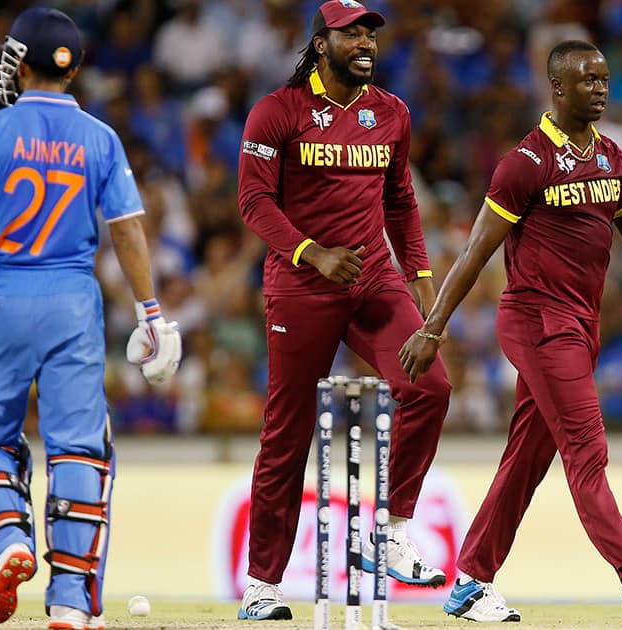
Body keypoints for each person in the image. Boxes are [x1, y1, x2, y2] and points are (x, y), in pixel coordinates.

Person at [399, 40, 622, 623]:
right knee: (587, 449)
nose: (602, 88)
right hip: (537, 322)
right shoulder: (525, 164)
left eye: (605, 78)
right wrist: (433, 326)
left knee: (526, 460)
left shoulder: (613, 158)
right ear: (558, 88)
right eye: (589, 80)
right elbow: (478, 249)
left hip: (580, 325)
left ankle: (471, 581)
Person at [0, 8, 181, 629]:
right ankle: (72, 602)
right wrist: (151, 313)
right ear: (73, 67)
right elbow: (128, 230)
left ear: (21, 63)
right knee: (79, 450)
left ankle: (9, 542)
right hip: (73, 302)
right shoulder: (101, 138)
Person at [236, 0, 452, 620]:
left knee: (430, 386)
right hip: (302, 285)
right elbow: (253, 204)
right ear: (319, 42)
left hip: (372, 279)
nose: (364, 42)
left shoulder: (391, 113)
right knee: (288, 431)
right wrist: (312, 253)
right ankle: (262, 585)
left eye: (369, 33)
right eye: (349, 33)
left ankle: (391, 531)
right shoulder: (277, 113)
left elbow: (401, 200)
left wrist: (421, 277)